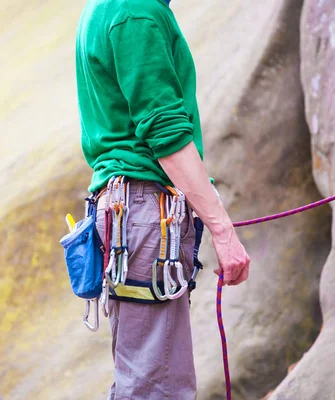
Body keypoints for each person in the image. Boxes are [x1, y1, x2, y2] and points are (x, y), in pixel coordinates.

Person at [75, 0, 251, 398]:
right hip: (143, 212)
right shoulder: (136, 12)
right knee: (157, 389)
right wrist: (223, 230)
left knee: (146, 380)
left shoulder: (108, 8)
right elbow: (165, 132)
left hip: (130, 213)